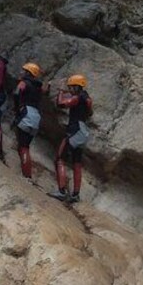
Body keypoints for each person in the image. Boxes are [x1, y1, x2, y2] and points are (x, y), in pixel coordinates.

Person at [49, 74, 94, 203]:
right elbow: (90, 113)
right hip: (83, 131)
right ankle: (75, 194)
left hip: (74, 131)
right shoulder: (87, 98)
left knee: (60, 159)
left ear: (76, 86)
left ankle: (61, 191)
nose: (70, 89)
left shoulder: (77, 98)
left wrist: (61, 92)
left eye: (71, 87)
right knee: (77, 163)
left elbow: (61, 104)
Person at [11, 62, 48, 180]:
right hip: (36, 117)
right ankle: (27, 174)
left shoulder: (24, 82)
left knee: (23, 147)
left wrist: (17, 108)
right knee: (25, 146)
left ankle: (26, 176)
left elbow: (17, 93)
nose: (21, 72)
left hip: (26, 114)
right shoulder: (39, 87)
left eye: (24, 70)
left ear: (28, 73)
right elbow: (46, 92)